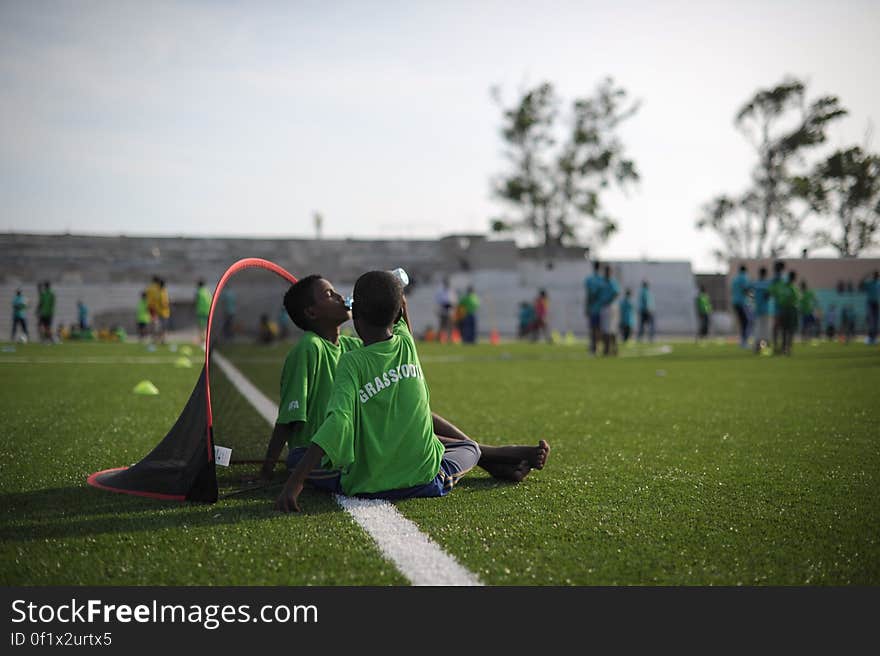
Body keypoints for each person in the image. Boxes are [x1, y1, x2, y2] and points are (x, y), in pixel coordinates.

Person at [275, 271, 549, 512]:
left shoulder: (351, 358)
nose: (339, 296)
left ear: (355, 316)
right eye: (329, 293)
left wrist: (295, 480)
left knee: (303, 459)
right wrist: (396, 297)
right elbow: (399, 317)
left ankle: (497, 455)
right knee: (466, 447)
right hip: (424, 481)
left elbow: (339, 422)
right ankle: (496, 454)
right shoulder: (406, 344)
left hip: (366, 483)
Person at [776, 270, 800, 356]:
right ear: (794, 278)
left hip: (783, 310)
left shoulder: (783, 287)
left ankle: (783, 348)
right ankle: (788, 348)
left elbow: (780, 298)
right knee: (791, 330)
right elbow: (797, 299)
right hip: (791, 310)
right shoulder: (793, 288)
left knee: (784, 330)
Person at [599, 265, 620, 356]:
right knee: (605, 329)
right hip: (604, 306)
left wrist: (609, 300)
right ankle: (607, 349)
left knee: (611, 329)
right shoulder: (603, 282)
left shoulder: (612, 282)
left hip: (610, 307)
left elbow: (616, 293)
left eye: (608, 271)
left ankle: (613, 349)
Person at [584, 261, 604, 354]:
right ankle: (597, 346)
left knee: (593, 328)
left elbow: (588, 295)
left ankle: (594, 346)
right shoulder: (602, 279)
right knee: (599, 329)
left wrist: (586, 307)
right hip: (601, 308)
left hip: (593, 308)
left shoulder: (589, 280)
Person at [752, 267, 772, 353]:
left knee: (758, 328)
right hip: (766, 309)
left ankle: (757, 346)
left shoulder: (755, 283)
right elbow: (768, 295)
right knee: (766, 328)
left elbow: (750, 293)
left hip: (757, 309)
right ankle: (766, 345)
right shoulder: (768, 284)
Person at [731, 265, 750, 348]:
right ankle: (744, 341)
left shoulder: (735, 279)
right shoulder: (744, 277)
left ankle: (742, 341)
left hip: (735, 302)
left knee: (743, 322)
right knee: (747, 321)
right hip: (742, 302)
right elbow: (746, 289)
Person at [769, 261, 786, 351]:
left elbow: (771, 292)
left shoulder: (778, 278)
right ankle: (782, 347)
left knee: (777, 327)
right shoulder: (783, 278)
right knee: (781, 327)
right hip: (781, 306)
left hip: (780, 306)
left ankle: (777, 346)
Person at [434, 277, 457, 343]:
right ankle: (440, 338)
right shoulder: (441, 291)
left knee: (450, 326)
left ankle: (449, 338)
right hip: (443, 309)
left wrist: (453, 308)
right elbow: (438, 300)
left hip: (450, 310)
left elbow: (454, 301)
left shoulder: (451, 291)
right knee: (442, 325)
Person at [860, 270, 879, 345]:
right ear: (873, 276)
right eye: (876, 275)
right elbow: (861, 285)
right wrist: (865, 276)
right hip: (870, 303)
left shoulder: (878, 283)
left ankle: (874, 338)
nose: (877, 277)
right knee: (871, 322)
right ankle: (869, 338)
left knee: (876, 322)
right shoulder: (869, 283)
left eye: (877, 275)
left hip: (876, 303)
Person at [194, 279, 212, 344]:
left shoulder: (199, 292)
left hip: (201, 311)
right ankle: (204, 340)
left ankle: (203, 340)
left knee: (201, 327)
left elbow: (196, 301)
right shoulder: (207, 291)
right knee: (206, 327)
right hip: (208, 311)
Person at [146, 276, 161, 341]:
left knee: (152, 322)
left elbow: (147, 297)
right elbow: (158, 298)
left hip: (150, 307)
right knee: (156, 323)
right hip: (155, 307)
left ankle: (153, 337)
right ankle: (156, 337)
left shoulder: (149, 288)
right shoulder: (157, 288)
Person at [157, 279, 171, 344]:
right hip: (163, 313)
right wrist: (167, 304)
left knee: (162, 327)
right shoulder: (163, 292)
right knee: (163, 327)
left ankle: (162, 339)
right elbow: (164, 303)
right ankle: (162, 340)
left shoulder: (161, 292)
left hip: (162, 312)